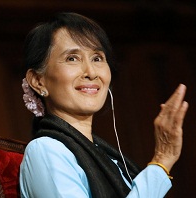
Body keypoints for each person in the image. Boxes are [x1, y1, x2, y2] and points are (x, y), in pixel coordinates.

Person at [19, 12, 189, 198]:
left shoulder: (108, 157)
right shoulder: (46, 151)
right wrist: (161, 161)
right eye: (72, 58)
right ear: (38, 81)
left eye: (97, 58)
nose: (91, 72)